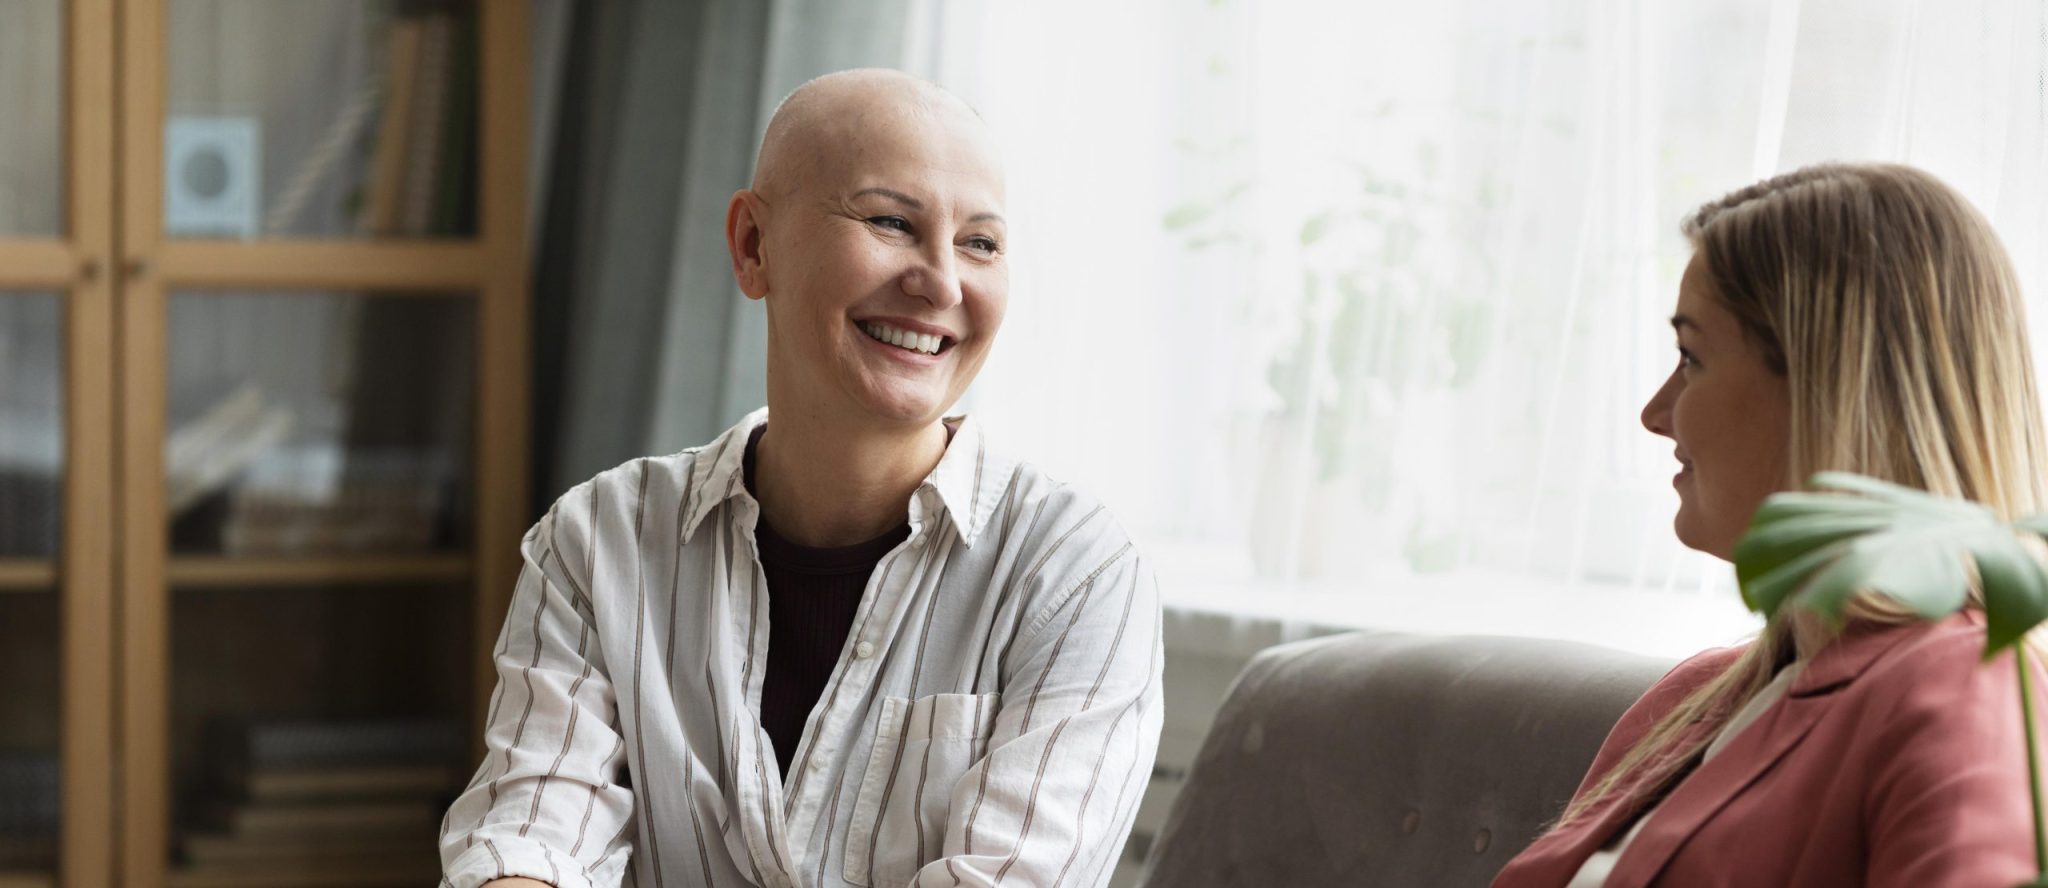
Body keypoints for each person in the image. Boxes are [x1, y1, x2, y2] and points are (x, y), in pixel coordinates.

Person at [439, 69, 1162, 888]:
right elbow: (530, 838)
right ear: (753, 246)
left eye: (981, 243)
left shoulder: (1077, 575)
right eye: (891, 221)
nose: (943, 282)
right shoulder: (596, 540)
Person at [1491, 163, 2048, 887]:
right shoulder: (1688, 703)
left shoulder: (1966, 689)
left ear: (1828, 389)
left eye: (1691, 358)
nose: (1655, 413)